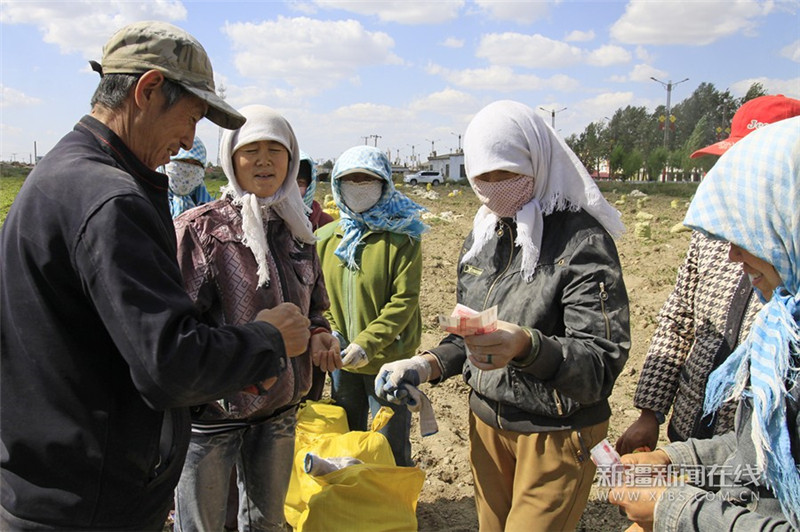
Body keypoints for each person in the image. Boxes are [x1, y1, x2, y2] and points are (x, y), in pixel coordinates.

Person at [0, 21, 313, 531]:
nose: (188, 141)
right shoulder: (111, 201)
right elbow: (169, 364)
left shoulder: (59, 174)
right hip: (91, 501)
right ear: (147, 90)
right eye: (190, 118)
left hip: (46, 480)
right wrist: (268, 338)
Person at [376, 100, 631, 531]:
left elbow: (599, 363)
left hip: (555, 431)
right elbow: (469, 334)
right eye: (484, 177)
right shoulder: (484, 236)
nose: (496, 187)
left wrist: (527, 347)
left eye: (509, 174)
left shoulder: (582, 241)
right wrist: (425, 365)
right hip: (487, 425)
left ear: (538, 160)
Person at [610, 116, 800, 531]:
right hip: (707, 443)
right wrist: (669, 449)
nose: (732, 252)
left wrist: (671, 508)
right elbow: (754, 453)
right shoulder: (785, 323)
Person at [172, 105, 338, 531]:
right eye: (251, 151)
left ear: (291, 159)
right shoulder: (201, 231)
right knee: (203, 525)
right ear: (231, 159)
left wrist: (320, 335)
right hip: (213, 414)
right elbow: (176, 329)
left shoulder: (299, 230)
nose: (264, 160)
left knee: (267, 522)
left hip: (279, 409)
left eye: (274, 150)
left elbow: (314, 308)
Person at [315, 145, 428, 467]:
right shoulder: (326, 238)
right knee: (348, 437)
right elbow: (321, 297)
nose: (359, 187)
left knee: (389, 441)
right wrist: (335, 334)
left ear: (384, 184)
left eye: (368, 180)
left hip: (389, 359)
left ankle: (393, 507)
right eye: (351, 180)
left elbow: (404, 299)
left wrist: (367, 343)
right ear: (338, 186)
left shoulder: (403, 237)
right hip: (342, 362)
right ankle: (356, 503)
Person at [164, 135, 215, 218]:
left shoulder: (212, 211)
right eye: (183, 160)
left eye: (196, 164)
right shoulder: (149, 201)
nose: (189, 169)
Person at [299, 150, 335, 231]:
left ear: (310, 186)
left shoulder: (325, 223)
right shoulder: (268, 221)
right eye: (289, 183)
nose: (293, 189)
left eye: (300, 183)